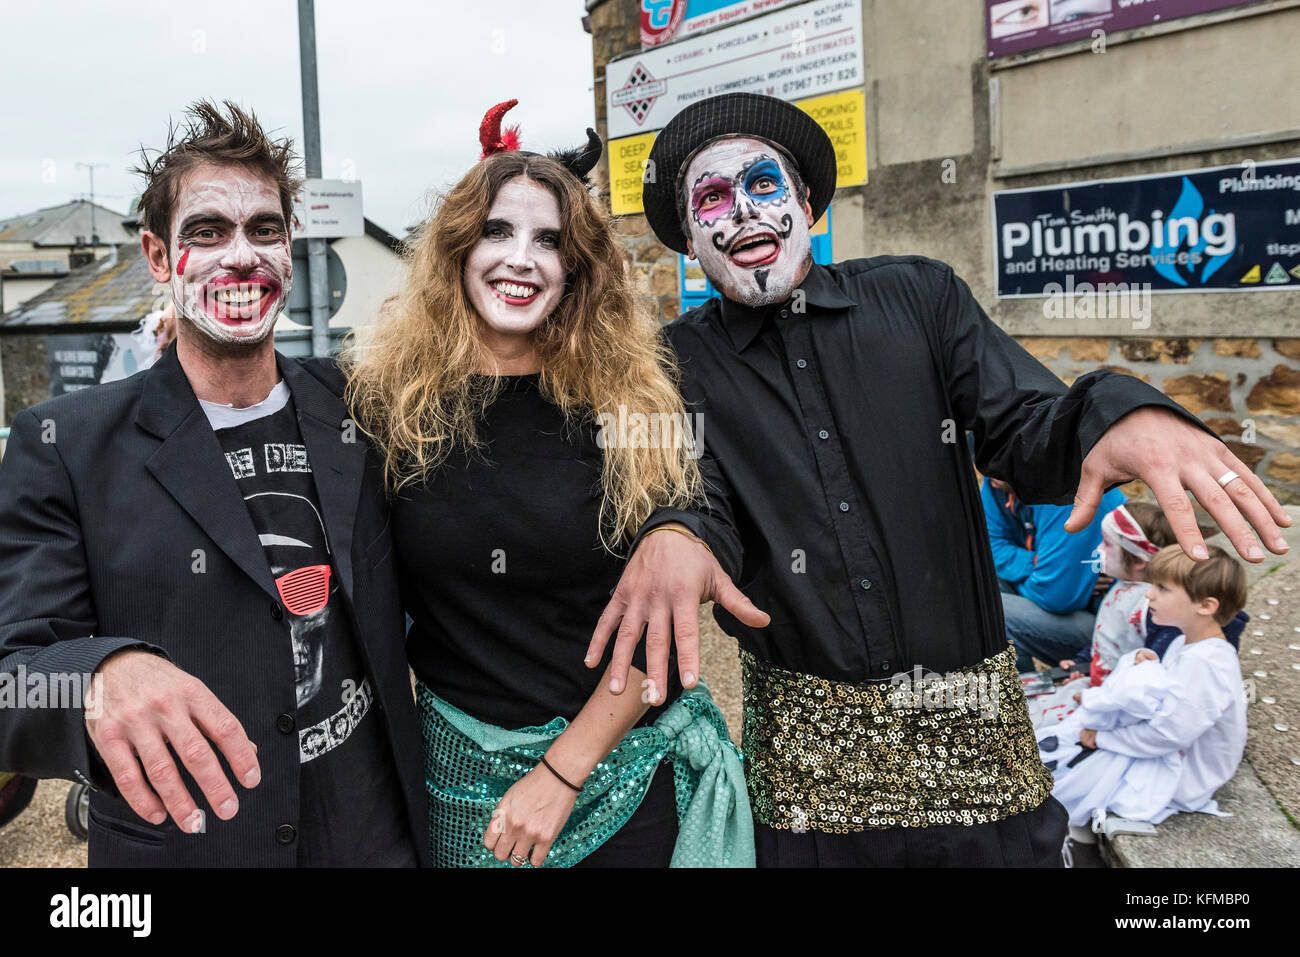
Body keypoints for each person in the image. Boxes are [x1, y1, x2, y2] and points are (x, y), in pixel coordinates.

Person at [594, 90, 1291, 867]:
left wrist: (1118, 412)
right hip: (813, 779)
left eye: (762, 185)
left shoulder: (921, 297)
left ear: (806, 202)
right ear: (691, 237)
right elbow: (692, 494)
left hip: (974, 749)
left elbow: (1026, 428)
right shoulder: (672, 363)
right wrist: (677, 531)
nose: (743, 213)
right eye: (713, 198)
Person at [0, 101, 426, 866]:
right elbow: (14, 678)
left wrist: (675, 522)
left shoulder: (360, 406)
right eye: (207, 230)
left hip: (371, 837)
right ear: (159, 257)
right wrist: (98, 672)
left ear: (291, 249)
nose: (241, 255)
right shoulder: (65, 445)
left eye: (265, 229)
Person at [342, 101, 754, 868]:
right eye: (497, 232)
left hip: (620, 781)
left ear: (577, 270)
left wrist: (562, 771)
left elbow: (665, 618)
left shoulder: (637, 403)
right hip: (459, 788)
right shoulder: (387, 406)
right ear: (458, 250)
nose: (521, 259)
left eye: (549, 241)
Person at [1039, 544, 1248, 838]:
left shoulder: (1207, 664)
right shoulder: (1185, 644)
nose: (1149, 594)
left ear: (1206, 606)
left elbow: (1169, 734)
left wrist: (1103, 737)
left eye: (1162, 588)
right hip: (1168, 747)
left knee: (1068, 776)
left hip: (1185, 773)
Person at [983, 476, 1126, 672]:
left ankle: (1025, 697)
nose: (987, 468)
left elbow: (1057, 598)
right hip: (1059, 595)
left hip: (1110, 633)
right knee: (979, 582)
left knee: (989, 611)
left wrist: (1058, 577)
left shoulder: (1063, 488)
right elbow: (990, 547)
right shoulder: (997, 477)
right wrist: (1039, 564)